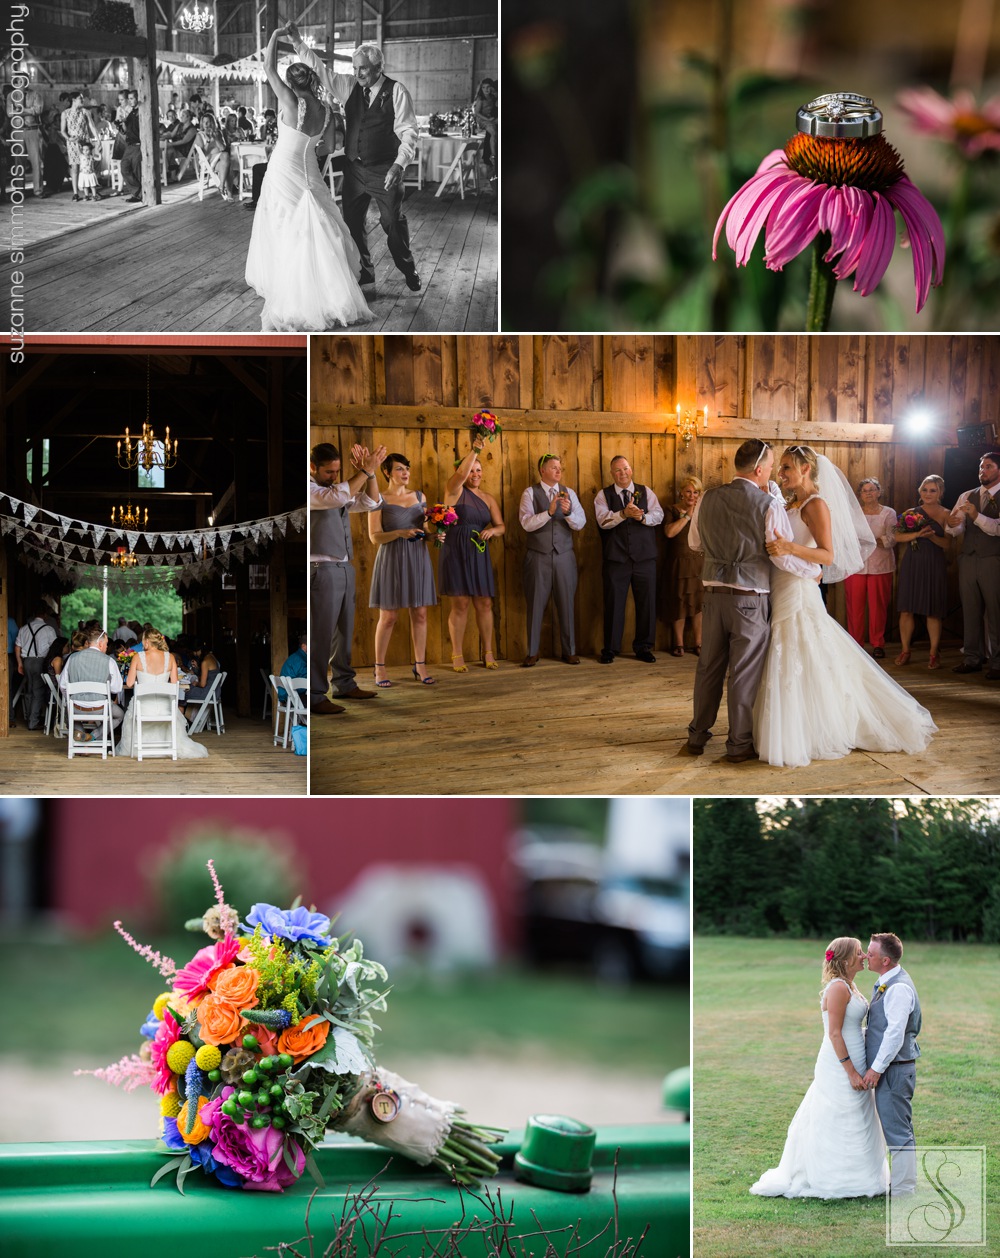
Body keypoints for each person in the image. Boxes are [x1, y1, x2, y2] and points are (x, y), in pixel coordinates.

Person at [753, 445, 937, 768]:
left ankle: (811, 729)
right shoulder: (792, 503)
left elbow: (827, 555)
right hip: (783, 584)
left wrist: (788, 546)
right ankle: (799, 723)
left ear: (806, 469)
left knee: (801, 649)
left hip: (798, 589)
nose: (781, 474)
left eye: (786, 468)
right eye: (780, 468)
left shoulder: (816, 504)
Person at [686, 439, 813, 763]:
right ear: (759, 470)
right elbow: (781, 555)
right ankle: (739, 744)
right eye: (771, 467)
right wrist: (811, 569)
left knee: (708, 669)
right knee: (742, 674)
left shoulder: (707, 498)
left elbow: (695, 542)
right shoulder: (767, 505)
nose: (772, 473)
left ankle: (697, 737)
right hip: (750, 600)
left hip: (712, 597)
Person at [245, 25, 372, 331]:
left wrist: (275, 36)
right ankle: (327, 288)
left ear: (291, 83)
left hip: (283, 170)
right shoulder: (327, 110)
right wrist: (309, 150)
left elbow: (267, 66)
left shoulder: (289, 101)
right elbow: (328, 147)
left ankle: (293, 289)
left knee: (284, 226)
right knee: (319, 224)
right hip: (310, 172)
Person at [285, 23, 421, 293]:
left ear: (378, 68)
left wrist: (398, 164)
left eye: (363, 69)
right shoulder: (348, 87)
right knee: (353, 224)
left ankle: (407, 267)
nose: (357, 73)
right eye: (355, 68)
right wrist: (298, 42)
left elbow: (409, 133)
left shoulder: (397, 91)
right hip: (354, 170)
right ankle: (365, 272)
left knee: (391, 223)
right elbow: (321, 71)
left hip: (385, 170)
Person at [749, 938, 889, 1199]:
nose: (863, 956)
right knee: (836, 1114)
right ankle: (833, 1178)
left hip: (855, 1057)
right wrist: (850, 1072)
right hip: (839, 1064)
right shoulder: (838, 988)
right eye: (859, 953)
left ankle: (859, 1175)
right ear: (846, 959)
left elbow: (850, 1027)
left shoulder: (850, 985)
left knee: (857, 1116)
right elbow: (834, 1034)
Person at [310, 441, 385, 713]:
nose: (334, 476)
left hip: (344, 567)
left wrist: (372, 473)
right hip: (320, 568)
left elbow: (372, 502)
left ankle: (344, 683)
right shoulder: (310, 490)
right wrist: (363, 472)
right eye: (329, 472)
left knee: (344, 630)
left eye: (338, 471)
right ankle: (316, 695)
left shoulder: (338, 489)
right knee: (321, 633)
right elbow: (337, 498)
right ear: (312, 467)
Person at [368, 452, 438, 685]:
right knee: (388, 616)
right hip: (392, 558)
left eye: (407, 468)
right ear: (387, 472)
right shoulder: (378, 498)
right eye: (399, 469)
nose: (405, 472)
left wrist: (436, 536)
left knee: (420, 612)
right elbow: (374, 537)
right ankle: (379, 668)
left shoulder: (419, 496)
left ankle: (420, 666)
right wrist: (399, 533)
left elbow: (425, 531)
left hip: (417, 558)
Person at [863, 932, 922, 1196]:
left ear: (885, 960)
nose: (866, 956)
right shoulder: (886, 982)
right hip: (894, 1068)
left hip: (895, 1070)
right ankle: (902, 1184)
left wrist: (876, 1069)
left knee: (898, 1131)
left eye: (871, 953)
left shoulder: (897, 988)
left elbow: (894, 1034)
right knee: (897, 1128)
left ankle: (903, 1190)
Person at [439, 438, 505, 671]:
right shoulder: (454, 490)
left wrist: (492, 531)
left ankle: (488, 651)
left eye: (479, 470)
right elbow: (460, 475)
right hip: (456, 551)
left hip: (478, 552)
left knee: (484, 603)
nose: (475, 474)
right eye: (471, 470)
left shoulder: (488, 499)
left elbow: (501, 526)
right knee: (461, 603)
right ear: (463, 472)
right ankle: (457, 654)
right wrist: (476, 450)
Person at [519, 454, 587, 667]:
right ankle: (532, 651)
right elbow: (526, 524)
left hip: (565, 555)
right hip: (538, 556)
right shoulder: (529, 493)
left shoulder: (570, 493)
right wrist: (548, 512)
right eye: (554, 467)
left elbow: (581, 522)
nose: (559, 471)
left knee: (566, 602)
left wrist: (567, 514)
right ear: (543, 470)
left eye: (560, 468)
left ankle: (569, 650)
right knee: (536, 603)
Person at [594, 455, 663, 664]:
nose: (622, 473)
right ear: (611, 473)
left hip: (645, 558)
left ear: (631, 470)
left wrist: (642, 517)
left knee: (647, 604)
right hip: (617, 559)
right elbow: (603, 521)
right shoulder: (603, 496)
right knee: (614, 604)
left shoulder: (646, 491)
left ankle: (644, 647)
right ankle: (611, 649)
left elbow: (658, 515)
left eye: (625, 469)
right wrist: (623, 514)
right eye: (617, 470)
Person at [946, 451, 1000, 679]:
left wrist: (977, 516)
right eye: (980, 467)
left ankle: (997, 663)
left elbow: (998, 528)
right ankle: (972, 658)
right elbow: (956, 529)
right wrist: (951, 524)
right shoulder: (967, 495)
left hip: (994, 560)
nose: (982, 471)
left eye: (988, 466)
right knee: (970, 610)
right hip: (968, 558)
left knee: (996, 612)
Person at [117, 627, 208, 759]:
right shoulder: (170, 657)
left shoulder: (138, 657)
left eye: (143, 641)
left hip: (143, 708)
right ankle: (167, 746)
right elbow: (175, 684)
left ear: (147, 642)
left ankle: (138, 747)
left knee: (131, 708)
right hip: (165, 708)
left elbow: (130, 683)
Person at [894, 474, 950, 669]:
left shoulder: (945, 514)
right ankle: (905, 650)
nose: (928, 494)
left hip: (934, 564)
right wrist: (918, 534)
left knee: (933, 610)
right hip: (913, 563)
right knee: (906, 608)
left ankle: (934, 653)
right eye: (925, 490)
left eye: (933, 490)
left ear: (940, 492)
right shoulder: (911, 512)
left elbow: (948, 544)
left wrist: (932, 537)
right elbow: (897, 537)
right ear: (920, 492)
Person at [844, 477, 897, 658]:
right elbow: (847, 538)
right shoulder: (853, 513)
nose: (868, 493)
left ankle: (877, 644)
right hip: (855, 566)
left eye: (872, 489)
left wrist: (868, 541)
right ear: (859, 494)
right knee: (854, 607)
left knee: (878, 607)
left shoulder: (888, 513)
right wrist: (873, 540)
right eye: (864, 490)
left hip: (881, 566)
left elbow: (891, 539)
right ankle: (856, 644)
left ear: (879, 492)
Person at [663, 475, 704, 656]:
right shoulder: (671, 510)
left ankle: (698, 642)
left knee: (698, 604)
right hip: (678, 561)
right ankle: (678, 643)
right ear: (681, 493)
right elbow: (670, 533)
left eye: (696, 492)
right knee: (678, 601)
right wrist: (688, 515)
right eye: (688, 491)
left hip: (698, 562)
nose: (692, 495)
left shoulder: (703, 511)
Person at [59, 625, 124, 737]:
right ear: (100, 644)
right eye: (106, 644)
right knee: (120, 715)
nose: (107, 647)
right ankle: (93, 737)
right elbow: (116, 689)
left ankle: (82, 738)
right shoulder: (109, 661)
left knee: (70, 713)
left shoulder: (72, 658)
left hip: (76, 707)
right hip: (100, 707)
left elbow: (63, 685)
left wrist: (72, 700)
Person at [14, 606, 57, 731]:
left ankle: (29, 718)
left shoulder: (24, 628)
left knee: (29, 690)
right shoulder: (49, 629)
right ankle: (33, 722)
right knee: (38, 692)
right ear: (45, 615)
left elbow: (17, 647)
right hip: (40, 661)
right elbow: (54, 648)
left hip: (26, 661)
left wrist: (19, 663)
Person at [61, 90, 101, 201]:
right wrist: (69, 138)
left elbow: (92, 127)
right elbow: (63, 131)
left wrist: (98, 140)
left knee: (88, 166)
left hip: (85, 143)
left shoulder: (85, 112)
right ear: (74, 100)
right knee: (75, 167)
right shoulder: (65, 113)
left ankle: (90, 192)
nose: (83, 100)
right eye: (80, 98)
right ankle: (75, 193)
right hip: (73, 143)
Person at [196, 112, 236, 200]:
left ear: (212, 123)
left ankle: (221, 186)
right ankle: (228, 192)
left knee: (226, 157)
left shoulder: (218, 133)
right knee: (227, 161)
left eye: (208, 122)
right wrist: (208, 141)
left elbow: (222, 148)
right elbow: (202, 153)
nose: (206, 124)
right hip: (207, 160)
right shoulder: (199, 135)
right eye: (204, 122)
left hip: (220, 159)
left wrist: (216, 138)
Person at [22, 84, 47, 197]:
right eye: (17, 80)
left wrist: (20, 110)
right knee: (18, 162)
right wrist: (29, 110)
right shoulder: (11, 96)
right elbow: (9, 113)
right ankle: (19, 190)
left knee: (36, 161)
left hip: (32, 129)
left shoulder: (35, 94)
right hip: (17, 131)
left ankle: (38, 190)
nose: (21, 83)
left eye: (23, 80)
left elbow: (37, 110)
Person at [472, 77, 498, 184]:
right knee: (493, 131)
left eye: (489, 88)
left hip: (490, 120)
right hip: (483, 120)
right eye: (484, 88)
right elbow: (477, 113)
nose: (487, 90)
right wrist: (488, 119)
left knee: (494, 132)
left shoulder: (493, 98)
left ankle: (493, 155)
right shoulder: (481, 99)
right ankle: (493, 155)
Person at [120, 90, 143, 202]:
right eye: (129, 98)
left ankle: (138, 195)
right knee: (124, 167)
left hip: (139, 144)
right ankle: (138, 191)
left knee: (136, 169)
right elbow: (125, 130)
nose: (130, 101)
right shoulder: (131, 113)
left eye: (132, 98)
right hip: (130, 145)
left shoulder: (142, 111)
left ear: (138, 98)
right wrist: (123, 123)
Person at [276, 631, 308, 702]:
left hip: (287, 694)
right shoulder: (299, 660)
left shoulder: (296, 657)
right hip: (290, 697)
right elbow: (305, 681)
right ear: (304, 646)